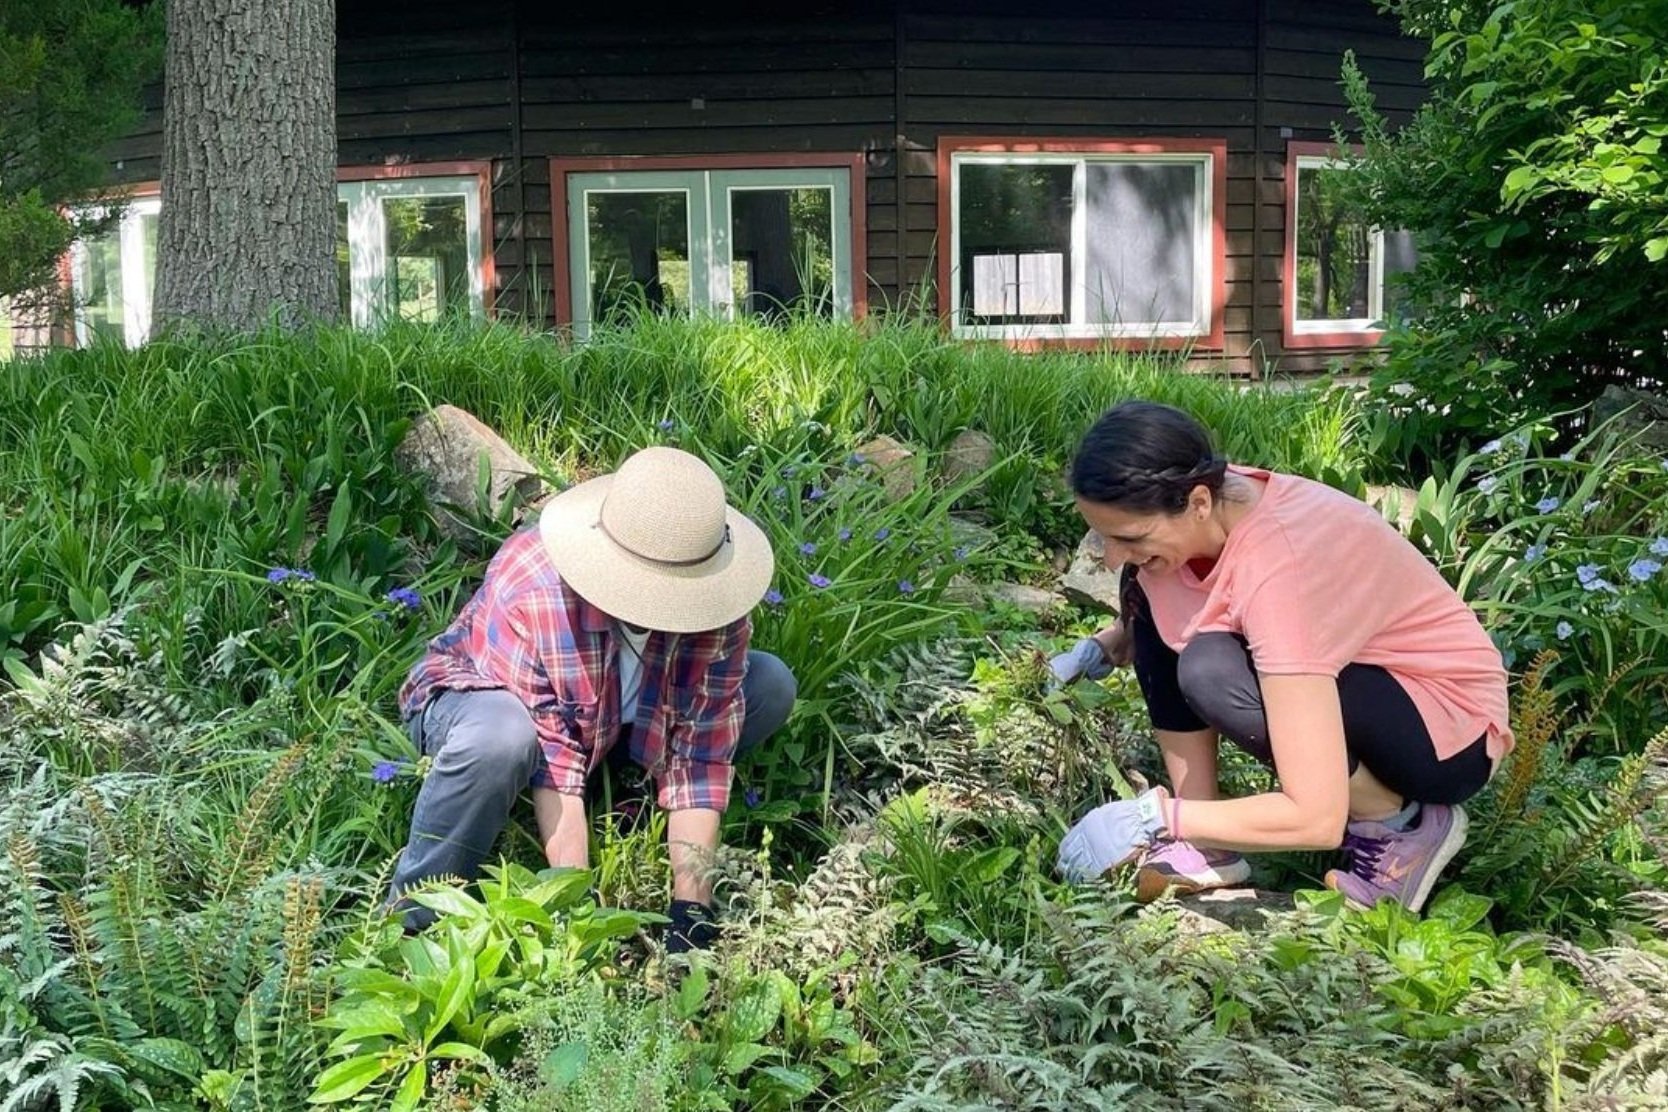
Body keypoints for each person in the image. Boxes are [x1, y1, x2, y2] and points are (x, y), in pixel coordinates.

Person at [1051, 402, 1511, 913]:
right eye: (1103, 537)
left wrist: (1155, 817)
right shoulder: (1207, 504)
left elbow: (1314, 817)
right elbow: (1185, 597)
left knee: (1211, 671)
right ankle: (1208, 844)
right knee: (1149, 582)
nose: (1111, 555)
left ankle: (1400, 828)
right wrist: (1114, 640)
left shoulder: (1283, 568)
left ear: (1198, 501)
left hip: (1444, 728)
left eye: (1128, 537)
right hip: (1360, 674)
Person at [389, 446, 796, 950]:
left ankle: (626, 792)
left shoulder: (718, 607)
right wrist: (580, 914)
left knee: (771, 685)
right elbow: (553, 758)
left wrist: (692, 910)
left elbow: (703, 758)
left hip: (611, 718)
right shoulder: (536, 589)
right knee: (501, 739)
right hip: (487, 704)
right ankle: (414, 921)